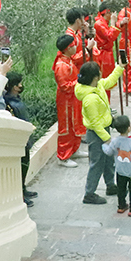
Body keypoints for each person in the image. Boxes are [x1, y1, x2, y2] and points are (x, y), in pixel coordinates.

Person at [76, 60, 125, 205]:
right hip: (97, 134)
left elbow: (109, 81)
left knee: (108, 161)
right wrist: (107, 139)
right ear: (95, 77)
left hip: (104, 130)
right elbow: (96, 123)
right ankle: (89, 193)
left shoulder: (97, 86)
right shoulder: (90, 98)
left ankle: (110, 185)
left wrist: (119, 68)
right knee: (96, 163)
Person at [2, 71, 37, 206]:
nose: (21, 86)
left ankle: (23, 188)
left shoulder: (16, 99)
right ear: (14, 87)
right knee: (20, 167)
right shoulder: (9, 103)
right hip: (20, 140)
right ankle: (19, 194)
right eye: (19, 83)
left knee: (25, 165)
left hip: (25, 137)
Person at [102, 114, 131, 216]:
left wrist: (104, 145)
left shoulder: (114, 141)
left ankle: (121, 206)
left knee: (121, 189)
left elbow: (108, 152)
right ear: (129, 128)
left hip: (120, 171)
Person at [52, 35, 84, 166]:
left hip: (73, 98)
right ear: (67, 48)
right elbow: (65, 86)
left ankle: (74, 149)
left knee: (75, 123)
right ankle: (63, 156)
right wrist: (80, 82)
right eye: (73, 45)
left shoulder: (68, 59)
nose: (75, 47)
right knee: (66, 126)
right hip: (65, 101)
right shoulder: (61, 66)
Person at [94, 2, 120, 83]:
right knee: (105, 80)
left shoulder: (105, 22)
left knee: (109, 79)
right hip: (103, 54)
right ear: (106, 12)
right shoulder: (99, 24)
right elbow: (110, 36)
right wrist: (113, 23)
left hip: (108, 53)